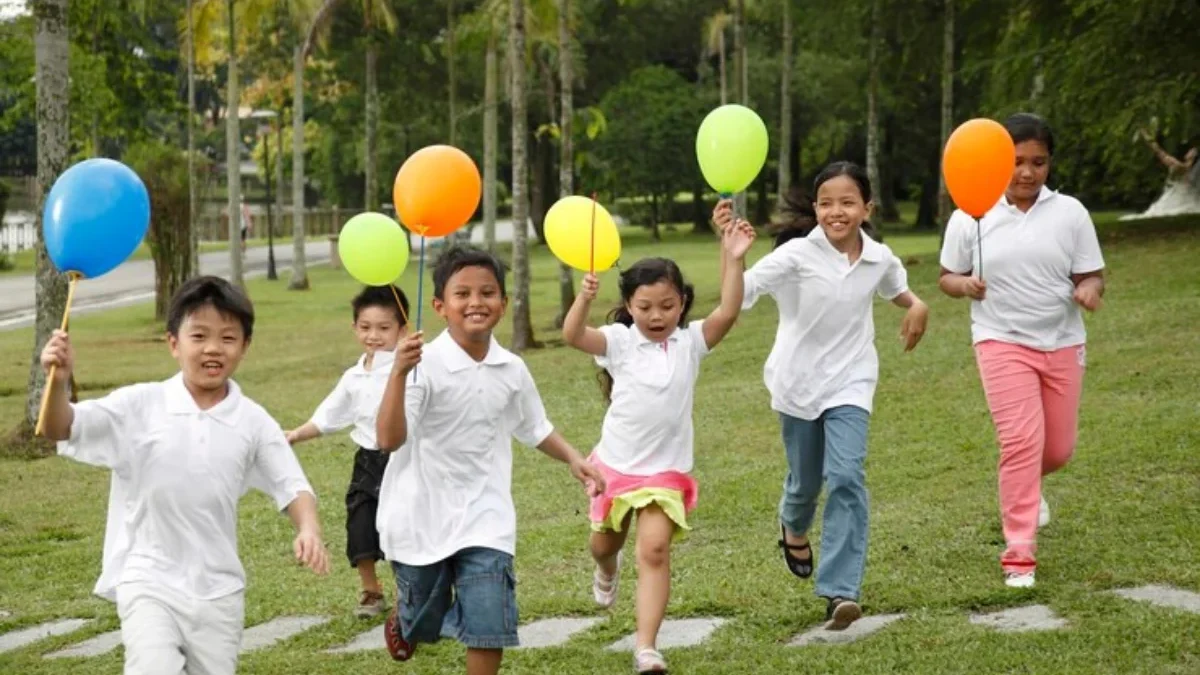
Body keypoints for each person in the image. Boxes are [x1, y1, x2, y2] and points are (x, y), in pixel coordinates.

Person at [37, 275, 330, 675]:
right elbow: (60, 428)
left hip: (219, 592)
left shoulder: (253, 421)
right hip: (148, 579)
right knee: (152, 666)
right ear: (173, 343)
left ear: (245, 346)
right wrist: (59, 381)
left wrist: (309, 529)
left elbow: (292, 485)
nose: (213, 348)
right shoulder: (139, 405)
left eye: (228, 338)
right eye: (199, 336)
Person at [713, 161, 929, 630]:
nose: (837, 212)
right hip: (797, 384)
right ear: (814, 209)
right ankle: (793, 525)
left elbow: (899, 290)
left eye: (848, 202)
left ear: (866, 208)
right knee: (805, 483)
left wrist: (918, 305)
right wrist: (731, 254)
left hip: (852, 380)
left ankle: (840, 591)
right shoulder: (795, 256)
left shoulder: (879, 258)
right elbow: (738, 295)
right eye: (827, 203)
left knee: (847, 475)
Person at [373, 246, 607, 675]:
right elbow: (389, 439)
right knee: (423, 619)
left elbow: (535, 426)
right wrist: (398, 374)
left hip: (487, 517)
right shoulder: (422, 365)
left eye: (487, 292)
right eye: (462, 294)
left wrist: (574, 459)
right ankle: (407, 620)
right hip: (420, 516)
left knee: (489, 624)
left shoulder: (511, 368)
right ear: (440, 306)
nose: (476, 302)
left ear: (504, 303)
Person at [559, 223, 755, 674]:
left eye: (667, 305)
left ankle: (646, 647)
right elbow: (573, 335)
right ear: (629, 306)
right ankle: (607, 569)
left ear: (682, 303)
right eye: (644, 306)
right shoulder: (620, 343)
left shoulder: (690, 344)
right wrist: (584, 298)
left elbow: (728, 309)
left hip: (666, 472)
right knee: (602, 544)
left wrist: (735, 256)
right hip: (615, 468)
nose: (656, 315)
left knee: (654, 551)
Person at [939, 113, 1105, 589]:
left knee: (1057, 449)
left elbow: (1091, 274)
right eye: (1016, 162)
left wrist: (1090, 290)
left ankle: (1031, 487)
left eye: (1039, 162)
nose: (1027, 172)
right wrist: (964, 284)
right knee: (1020, 443)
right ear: (997, 163)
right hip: (1000, 340)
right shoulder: (970, 214)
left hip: (1063, 342)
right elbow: (947, 276)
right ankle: (1019, 555)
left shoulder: (1070, 213)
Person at [285, 285, 410, 618]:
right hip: (367, 461)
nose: (374, 336)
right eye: (366, 327)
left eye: (384, 328)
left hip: (404, 460)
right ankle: (371, 591)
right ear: (354, 328)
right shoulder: (354, 376)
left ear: (403, 329)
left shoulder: (409, 370)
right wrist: (297, 434)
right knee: (360, 525)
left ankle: (409, 594)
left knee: (402, 528)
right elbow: (328, 416)